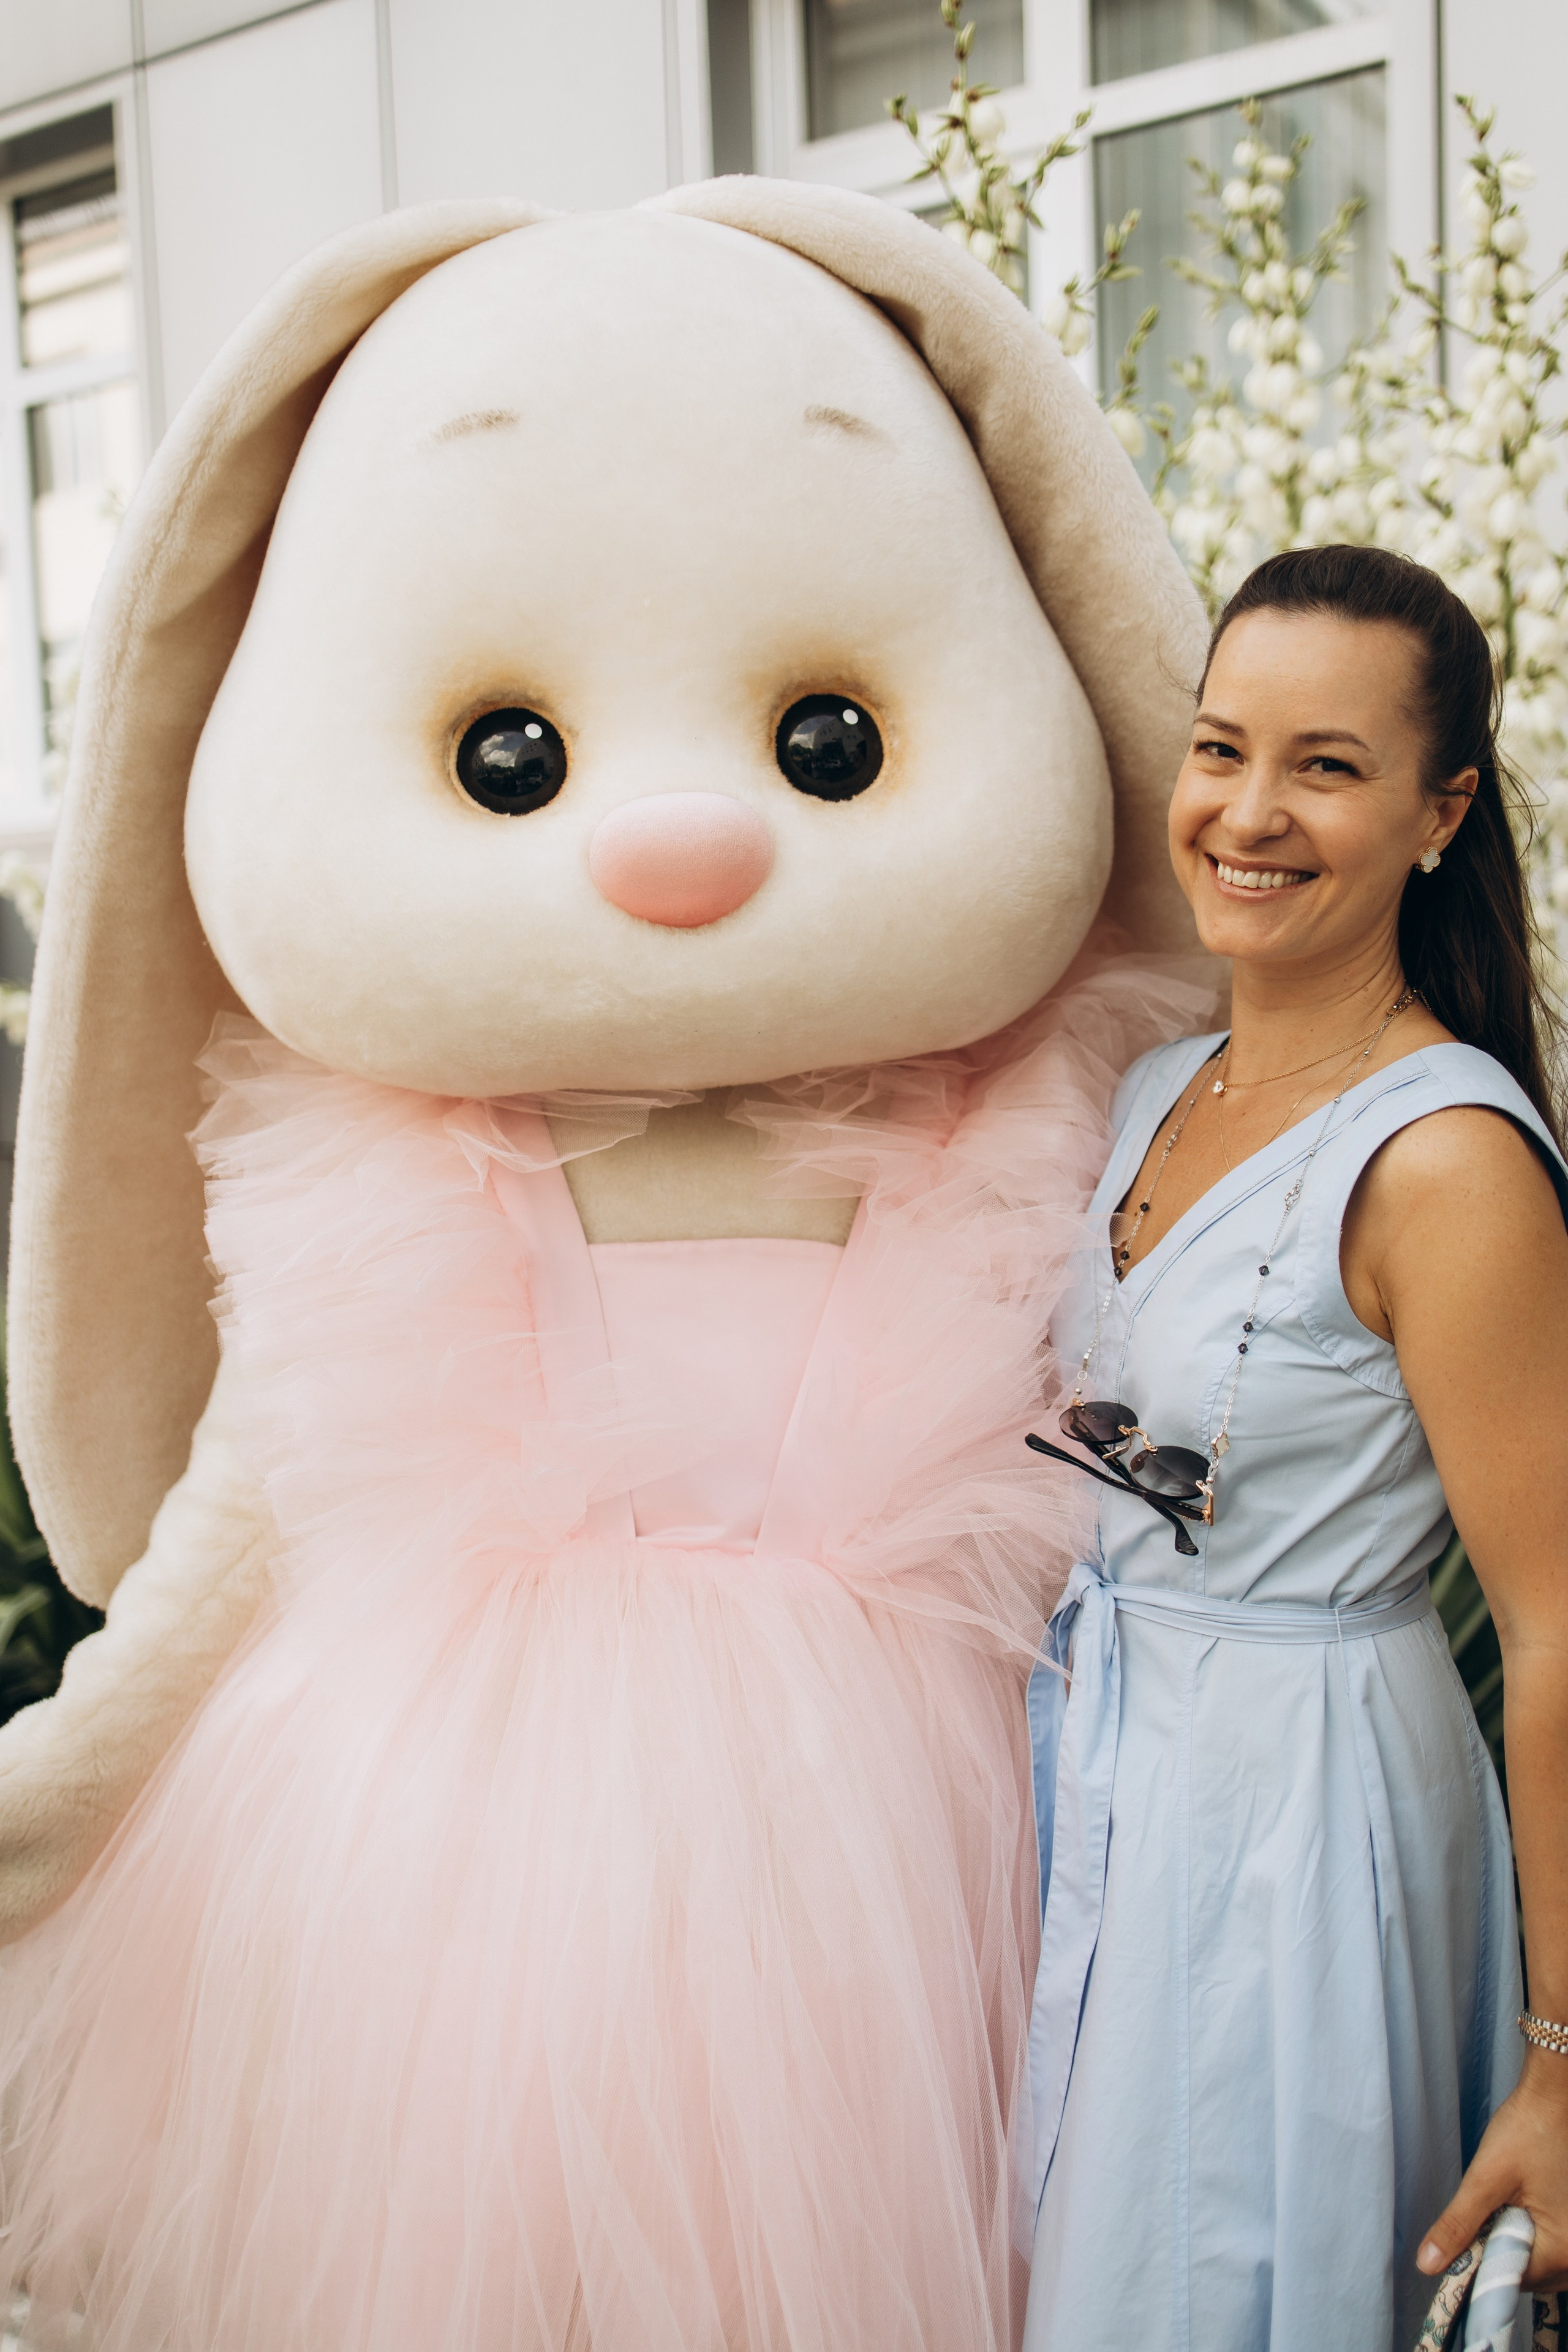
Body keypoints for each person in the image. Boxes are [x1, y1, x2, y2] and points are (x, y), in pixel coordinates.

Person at [1021, 544, 1568, 2351]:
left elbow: (1557, 1629)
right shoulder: (1152, 1087)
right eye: (1220, 750)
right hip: (1098, 1768)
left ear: (1441, 811)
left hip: (1303, 1812)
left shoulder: (1446, 1162)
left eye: (1326, 766)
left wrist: (1567, 2063)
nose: (1248, 813)